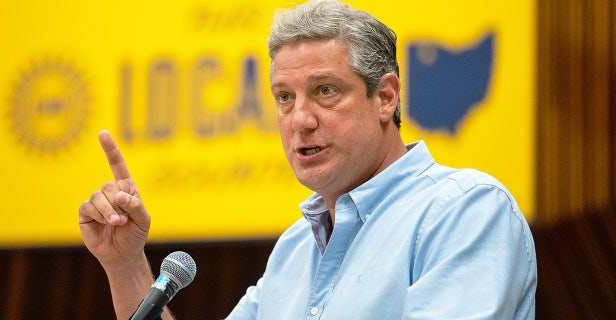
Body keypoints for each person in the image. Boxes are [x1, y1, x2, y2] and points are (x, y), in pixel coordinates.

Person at [78, 0, 537, 319]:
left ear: (385, 97)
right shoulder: (293, 252)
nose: (300, 120)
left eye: (325, 91)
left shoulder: (466, 211)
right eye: (284, 97)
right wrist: (126, 265)